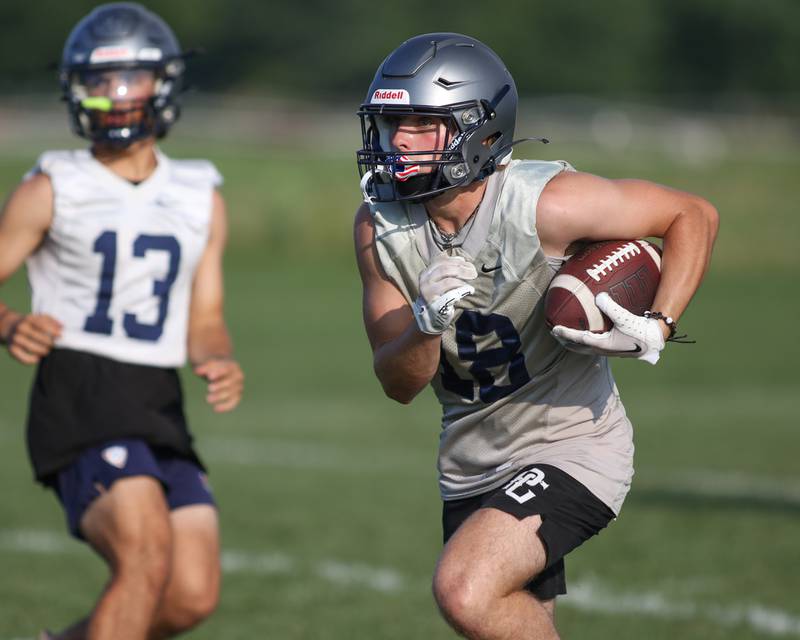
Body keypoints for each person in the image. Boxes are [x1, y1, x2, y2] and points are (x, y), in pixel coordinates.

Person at [354, 33, 718, 639]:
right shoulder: (379, 226)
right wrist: (427, 322)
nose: (400, 140)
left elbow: (692, 215)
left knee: (464, 589)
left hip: (572, 444)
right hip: (470, 459)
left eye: (423, 123)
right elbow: (397, 382)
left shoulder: (543, 204)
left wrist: (661, 322)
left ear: (480, 129)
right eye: (393, 122)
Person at [0, 4, 244, 639]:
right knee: (143, 555)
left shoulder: (200, 195)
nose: (111, 97)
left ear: (161, 84)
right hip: (79, 390)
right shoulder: (53, 184)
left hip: (158, 399)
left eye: (126, 80)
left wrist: (216, 357)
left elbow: (206, 317)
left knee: (190, 593)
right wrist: (7, 323)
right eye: (97, 82)